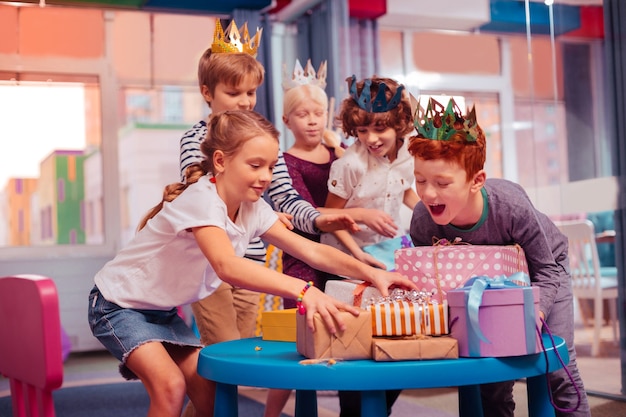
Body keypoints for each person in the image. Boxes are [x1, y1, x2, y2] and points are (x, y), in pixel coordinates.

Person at [88, 109, 417, 417]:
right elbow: (226, 266)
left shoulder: (254, 207)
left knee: (210, 396)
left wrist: (372, 273)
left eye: (272, 166)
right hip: (118, 305)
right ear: (220, 161)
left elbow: (312, 251)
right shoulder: (202, 201)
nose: (266, 176)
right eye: (255, 165)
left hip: (161, 313)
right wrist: (304, 290)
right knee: (170, 387)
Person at [178, 20, 359, 350]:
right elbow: (199, 194)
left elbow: (287, 197)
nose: (245, 102)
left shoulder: (261, 139)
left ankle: (214, 404)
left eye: (251, 92)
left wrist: (319, 219)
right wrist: (265, 215)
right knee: (225, 353)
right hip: (207, 264)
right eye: (233, 93)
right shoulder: (195, 139)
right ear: (207, 93)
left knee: (242, 353)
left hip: (251, 262)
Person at [407, 97, 590, 417]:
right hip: (481, 291)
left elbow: (547, 270)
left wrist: (533, 315)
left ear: (476, 181)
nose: (428, 193)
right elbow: (429, 283)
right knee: (489, 379)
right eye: (420, 180)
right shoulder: (423, 219)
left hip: (544, 270)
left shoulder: (511, 207)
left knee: (556, 366)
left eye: (442, 183)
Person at [322, 75, 420, 417]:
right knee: (355, 348)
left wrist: (429, 217)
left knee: (400, 339)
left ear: (400, 123)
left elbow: (405, 189)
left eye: (380, 129)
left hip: (388, 256)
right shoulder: (349, 165)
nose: (371, 138)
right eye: (362, 131)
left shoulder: (408, 154)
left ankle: (381, 410)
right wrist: (358, 253)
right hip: (348, 260)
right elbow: (330, 215)